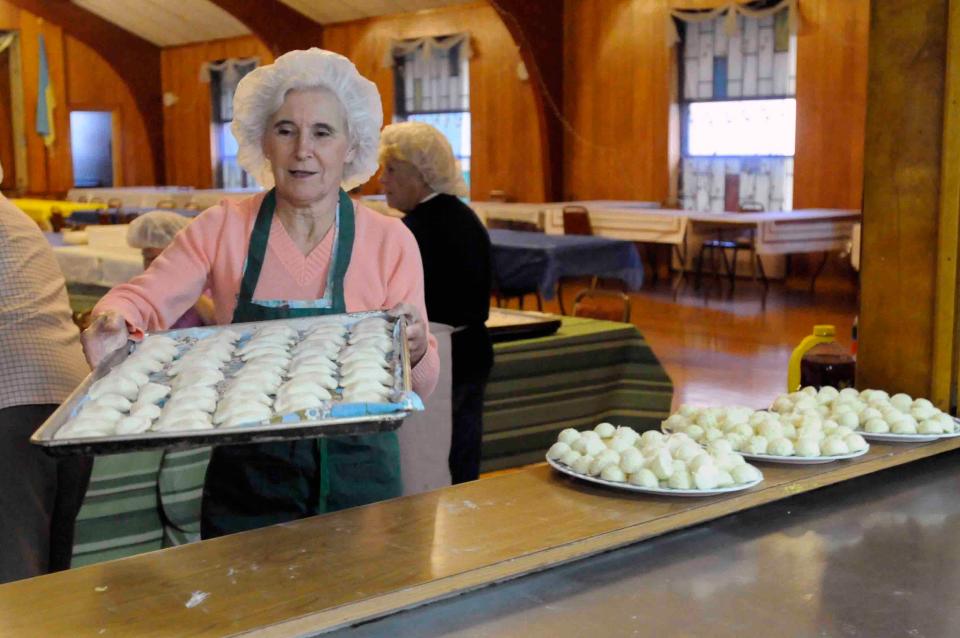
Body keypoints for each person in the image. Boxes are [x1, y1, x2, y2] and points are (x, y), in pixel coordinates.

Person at [81, 48, 439, 539]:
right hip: (249, 485)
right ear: (263, 142)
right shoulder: (223, 228)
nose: (302, 150)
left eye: (322, 133)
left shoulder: (390, 240)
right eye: (285, 130)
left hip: (359, 484)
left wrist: (415, 347)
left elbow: (420, 380)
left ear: (350, 146)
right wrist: (114, 317)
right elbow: (144, 299)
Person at [379, 122, 493, 483]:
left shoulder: (416, 229)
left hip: (442, 358)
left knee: (431, 462)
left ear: (422, 175)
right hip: (471, 350)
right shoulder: (464, 216)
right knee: (461, 458)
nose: (383, 181)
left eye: (393, 170)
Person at [0, 160, 93, 583]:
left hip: (13, 408)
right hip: (70, 404)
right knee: (50, 580)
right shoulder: (12, 217)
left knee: (15, 578)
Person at [126, 210, 216, 328]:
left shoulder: (204, 282)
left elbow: (217, 321)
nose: (152, 266)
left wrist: (188, 291)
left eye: (158, 259)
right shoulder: (141, 288)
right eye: (147, 258)